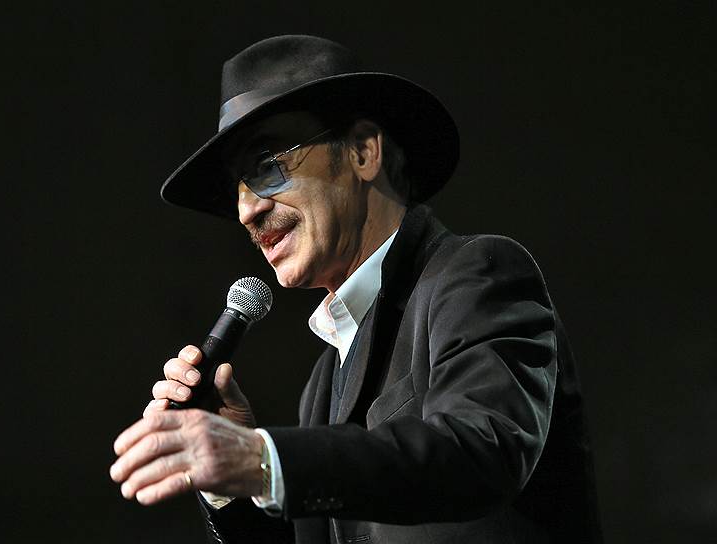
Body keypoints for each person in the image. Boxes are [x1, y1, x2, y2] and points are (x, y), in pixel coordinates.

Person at [109, 35, 601, 543]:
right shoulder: (322, 385)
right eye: (237, 188)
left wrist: (263, 460)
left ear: (364, 152)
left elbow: (483, 448)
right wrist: (233, 485)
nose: (246, 211)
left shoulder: (478, 275)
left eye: (267, 165)